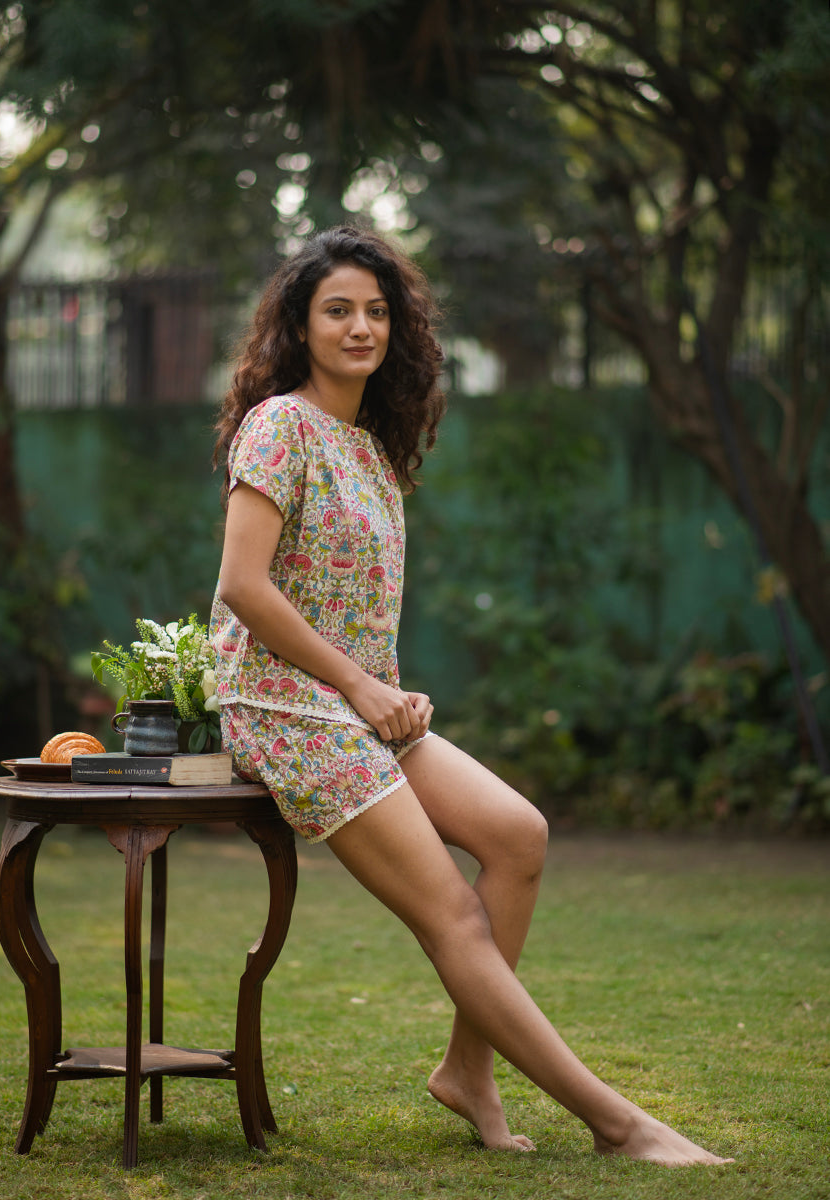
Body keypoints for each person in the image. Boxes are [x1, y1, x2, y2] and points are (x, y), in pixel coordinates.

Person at [210, 225, 733, 1166]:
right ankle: (620, 1124)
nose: (360, 327)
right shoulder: (280, 425)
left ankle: (467, 1070)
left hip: (359, 705)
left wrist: (386, 691)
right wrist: (361, 686)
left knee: (518, 835)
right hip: (285, 711)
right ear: (299, 326)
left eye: (377, 311)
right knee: (451, 914)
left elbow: (349, 605)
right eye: (338, 310)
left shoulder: (370, 449)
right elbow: (245, 587)